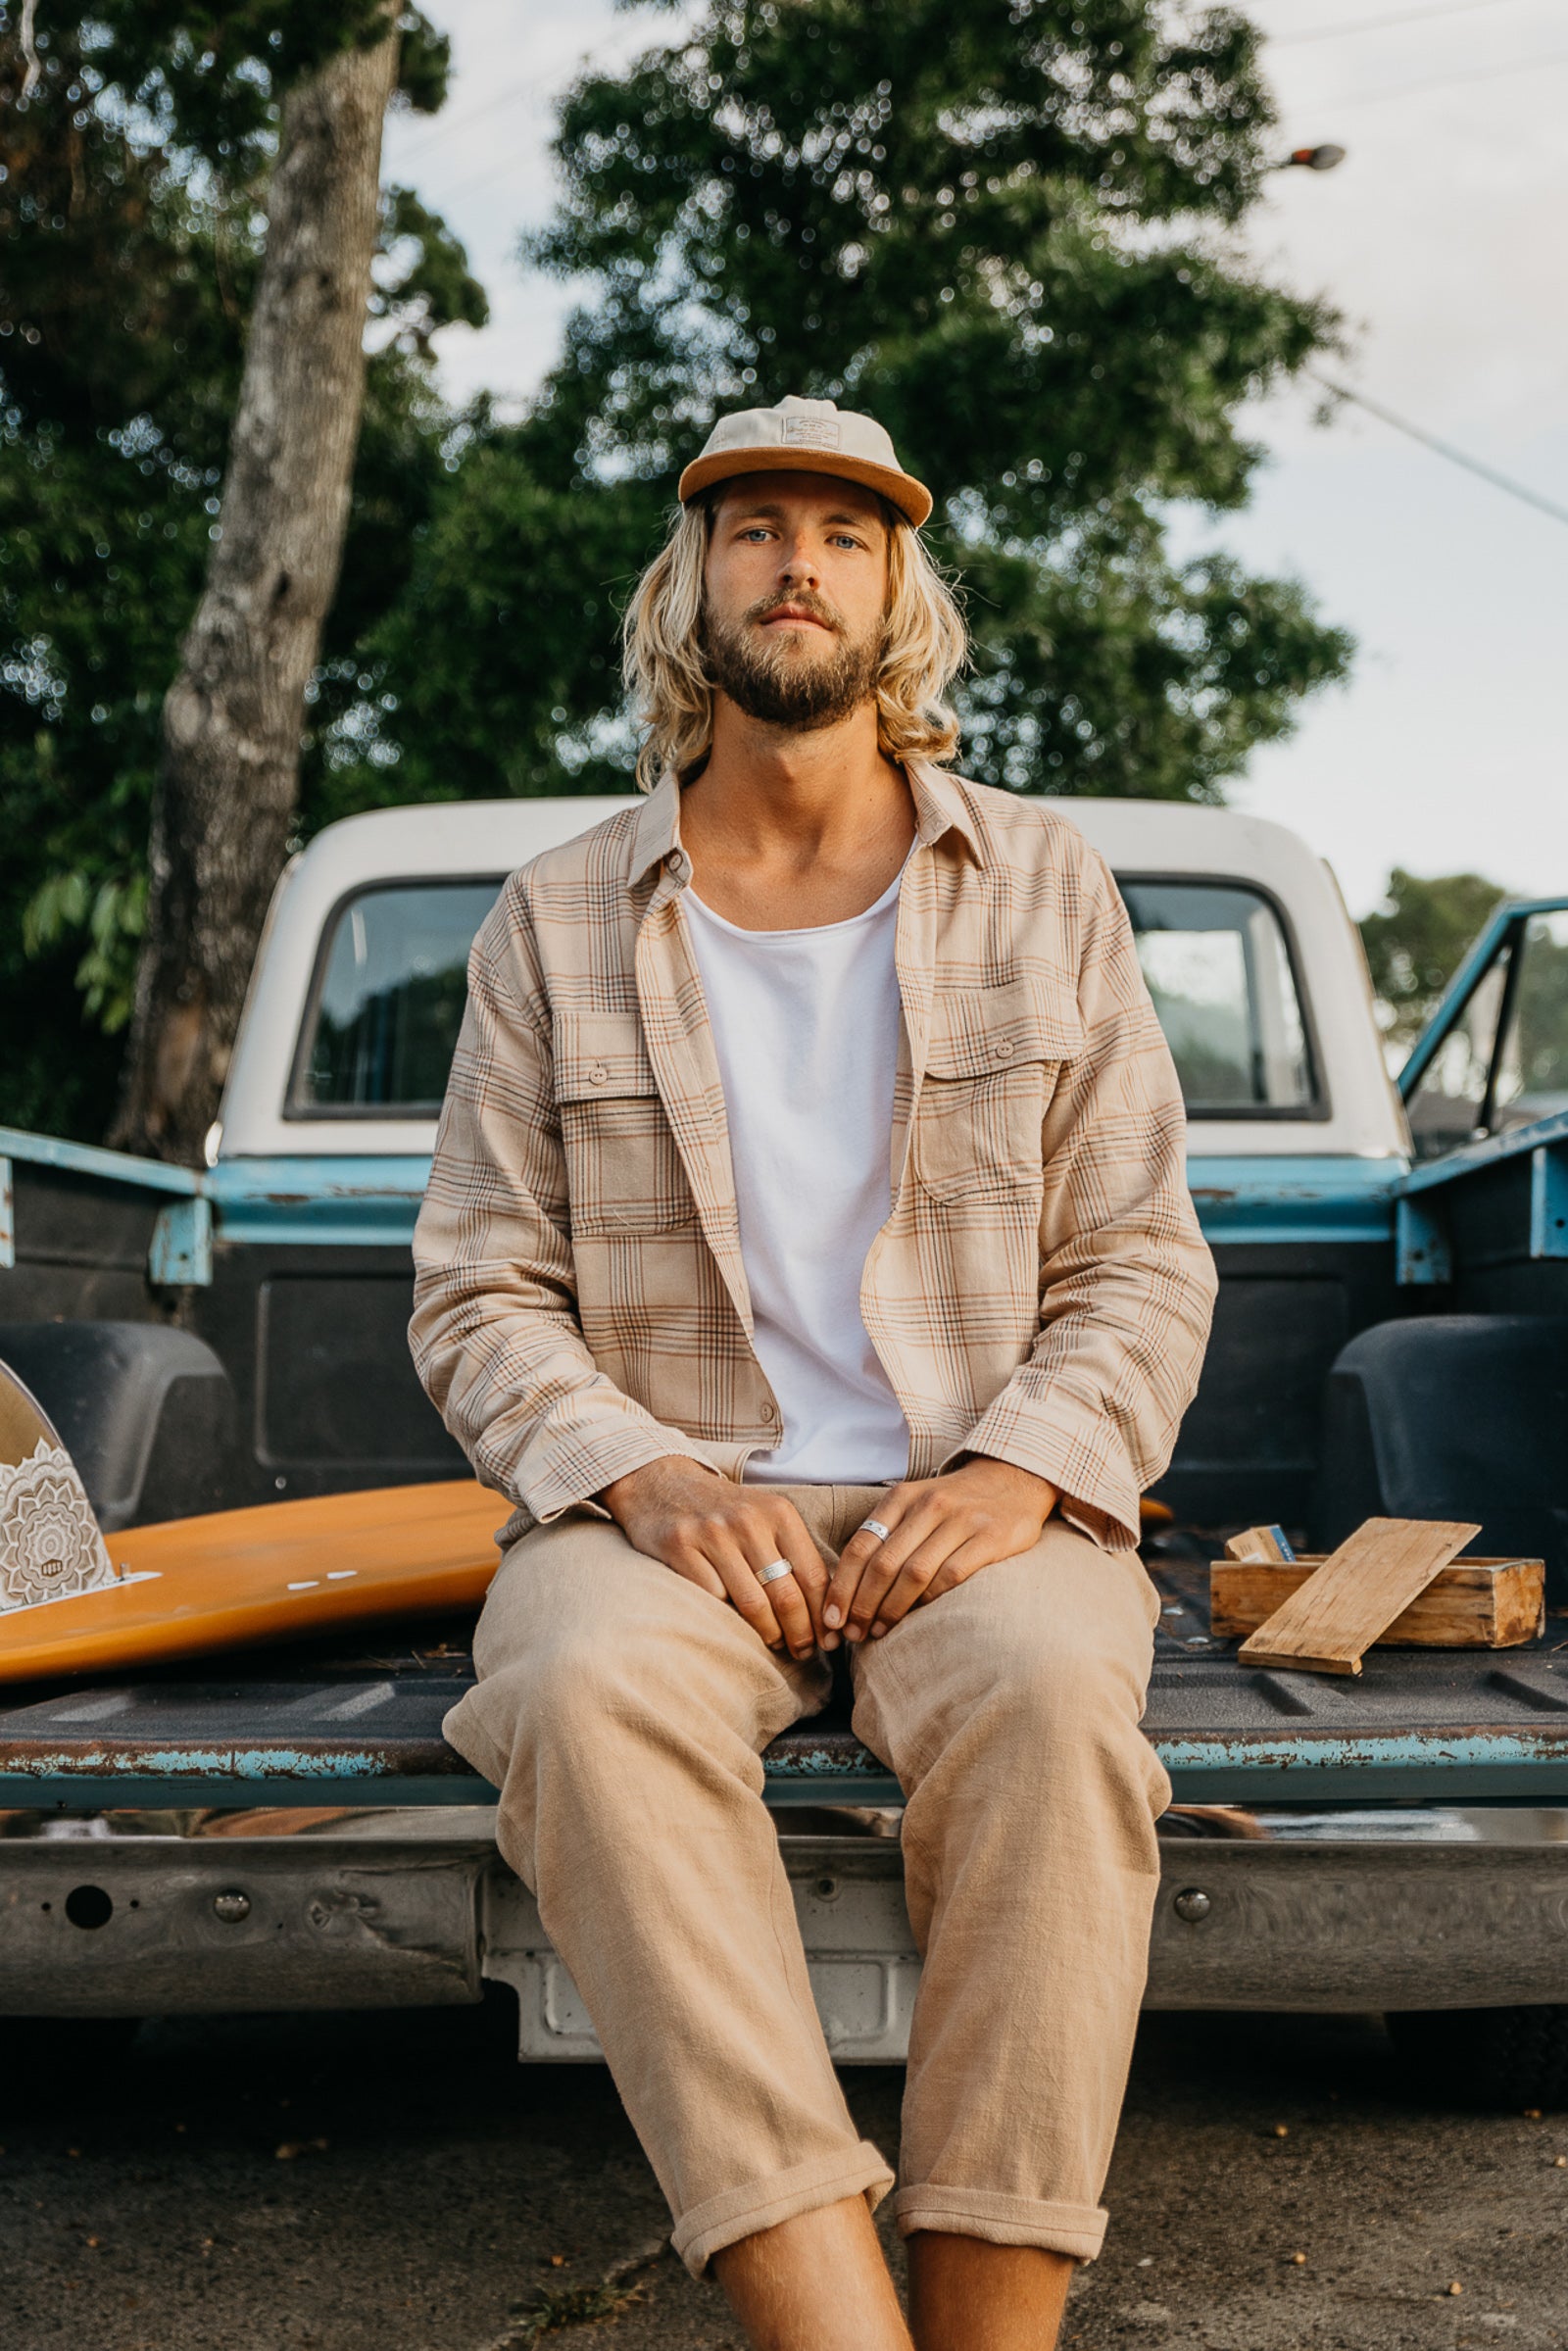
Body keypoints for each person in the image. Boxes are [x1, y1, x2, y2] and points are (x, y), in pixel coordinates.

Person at [411, 393, 1217, 2351]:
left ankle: (992, 2325)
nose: (795, 561)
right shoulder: (554, 916)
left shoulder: (1040, 886)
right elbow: (476, 1290)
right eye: (751, 527)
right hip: (668, 1506)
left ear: (893, 593)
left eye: (842, 535)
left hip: (976, 1493)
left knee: (1044, 1708)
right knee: (582, 1694)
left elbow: (1134, 1260)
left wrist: (1023, 1469)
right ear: (688, 585)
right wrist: (644, 1477)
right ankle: (826, 2318)